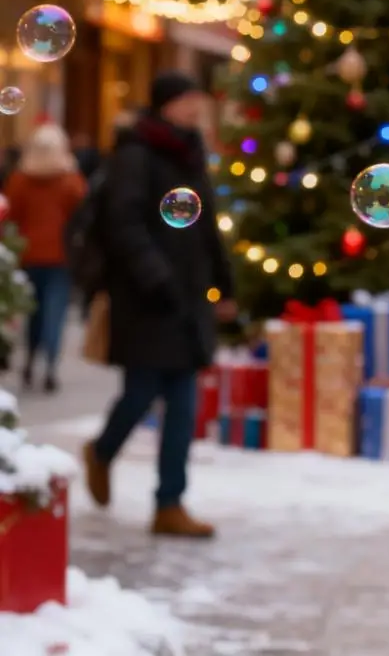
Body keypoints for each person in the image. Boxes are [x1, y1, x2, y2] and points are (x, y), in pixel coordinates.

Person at [83, 72, 236, 538]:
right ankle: (102, 451)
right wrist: (157, 279)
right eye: (188, 100)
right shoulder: (136, 154)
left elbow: (207, 228)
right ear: (166, 105)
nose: (196, 109)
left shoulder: (190, 154)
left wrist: (224, 286)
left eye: (198, 101)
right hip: (146, 299)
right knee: (140, 393)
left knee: (184, 405)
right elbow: (123, 224)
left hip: (187, 298)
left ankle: (169, 503)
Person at [4, 123, 87, 392]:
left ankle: (30, 359)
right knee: (55, 314)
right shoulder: (69, 180)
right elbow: (83, 213)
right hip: (59, 256)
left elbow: (10, 217)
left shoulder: (19, 179)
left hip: (28, 255)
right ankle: (50, 365)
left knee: (34, 313)